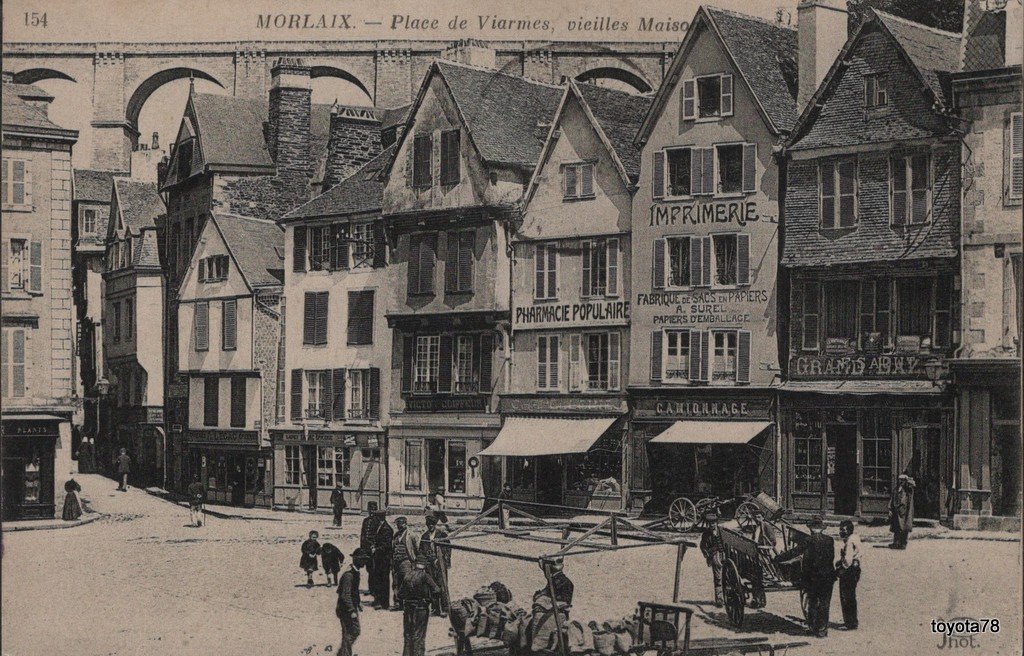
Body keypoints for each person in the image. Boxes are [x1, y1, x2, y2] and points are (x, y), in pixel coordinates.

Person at [776, 517, 835, 638]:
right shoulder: (830, 540)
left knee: (812, 602)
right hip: (828, 576)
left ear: (811, 529)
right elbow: (831, 557)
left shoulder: (808, 540)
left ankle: (813, 628)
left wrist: (778, 558)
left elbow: (794, 552)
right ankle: (822, 630)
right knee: (824, 603)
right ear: (822, 529)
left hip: (813, 578)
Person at [400, 551, 442, 656]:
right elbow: (436, 590)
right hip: (421, 608)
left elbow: (399, 594)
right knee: (419, 634)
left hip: (408, 607)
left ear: (415, 564)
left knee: (408, 634)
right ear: (425, 565)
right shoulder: (425, 576)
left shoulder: (407, 575)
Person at [337, 548, 369, 656]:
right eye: (362, 560)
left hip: (349, 607)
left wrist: (358, 602)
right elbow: (345, 595)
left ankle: (344, 653)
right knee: (353, 631)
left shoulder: (355, 572)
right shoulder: (349, 575)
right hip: (346, 608)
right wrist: (351, 610)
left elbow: (354, 591)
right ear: (356, 559)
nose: (364, 562)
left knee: (349, 632)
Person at [420, 514, 451, 616]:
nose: (431, 526)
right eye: (429, 525)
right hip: (430, 564)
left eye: (432, 524)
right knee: (432, 585)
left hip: (440, 564)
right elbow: (422, 551)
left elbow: (448, 548)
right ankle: (435, 608)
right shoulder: (424, 536)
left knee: (442, 585)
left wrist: (444, 560)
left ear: (435, 525)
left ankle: (445, 608)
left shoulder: (442, 535)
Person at [836, 520, 861, 630]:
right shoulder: (855, 538)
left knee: (846, 597)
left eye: (843, 530)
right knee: (851, 596)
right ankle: (852, 621)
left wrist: (840, 569)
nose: (841, 532)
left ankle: (850, 623)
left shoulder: (849, 542)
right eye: (840, 529)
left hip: (849, 571)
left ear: (848, 531)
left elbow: (848, 560)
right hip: (855, 569)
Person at [391, 516, 418, 610]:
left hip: (406, 561)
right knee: (396, 582)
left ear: (405, 524)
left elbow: (417, 549)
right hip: (396, 562)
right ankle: (398, 603)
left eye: (401, 524)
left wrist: (416, 562)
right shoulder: (396, 535)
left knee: (406, 581)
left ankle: (408, 603)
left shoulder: (411, 535)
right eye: (398, 524)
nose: (399, 526)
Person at [699, 511, 724, 607]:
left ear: (716, 523)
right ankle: (719, 599)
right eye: (710, 524)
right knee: (718, 578)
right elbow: (702, 546)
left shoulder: (722, 531)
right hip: (714, 556)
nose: (712, 525)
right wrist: (708, 554)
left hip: (725, 554)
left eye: (713, 523)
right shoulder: (706, 534)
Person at [371, 510, 394, 609]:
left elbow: (387, 545)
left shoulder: (387, 529)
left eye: (376, 517)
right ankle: (379, 600)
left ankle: (384, 603)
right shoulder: (379, 527)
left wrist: (376, 549)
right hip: (379, 558)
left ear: (380, 518)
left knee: (384, 580)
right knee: (378, 579)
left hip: (384, 559)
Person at [889, 473, 915, 549]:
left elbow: (913, 484)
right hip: (896, 511)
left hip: (905, 512)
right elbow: (892, 498)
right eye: (900, 480)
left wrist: (907, 479)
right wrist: (890, 509)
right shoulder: (896, 488)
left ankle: (903, 544)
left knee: (904, 528)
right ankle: (896, 543)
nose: (901, 482)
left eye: (902, 480)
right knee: (896, 528)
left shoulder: (908, 490)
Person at [360, 509, 383, 590]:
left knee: (374, 569)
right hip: (366, 548)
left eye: (374, 509)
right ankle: (371, 587)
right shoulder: (365, 520)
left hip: (373, 548)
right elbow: (362, 535)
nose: (372, 511)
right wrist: (362, 548)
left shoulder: (377, 522)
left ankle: (373, 588)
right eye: (371, 509)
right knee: (369, 568)